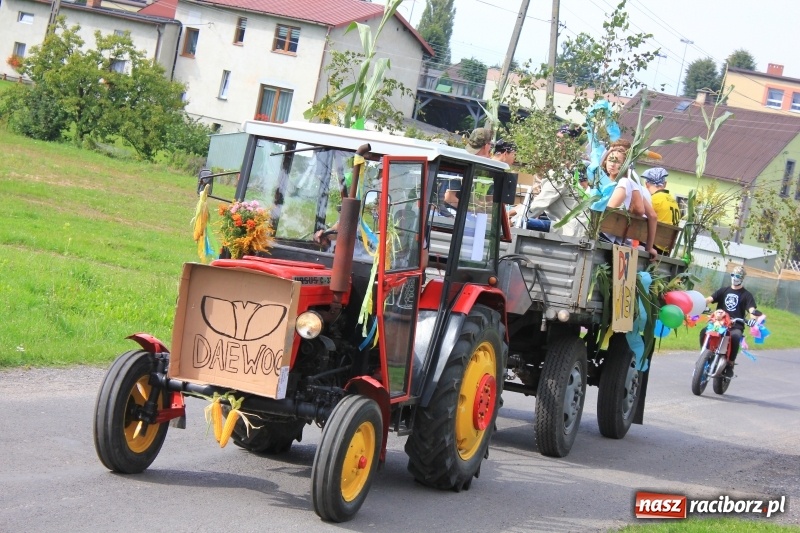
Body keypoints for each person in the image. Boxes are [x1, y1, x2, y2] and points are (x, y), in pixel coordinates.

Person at [601, 140, 658, 261]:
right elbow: (652, 215)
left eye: (618, 159)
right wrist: (649, 247)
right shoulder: (603, 178)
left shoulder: (627, 180)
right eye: (611, 157)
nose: (613, 163)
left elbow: (640, 209)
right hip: (617, 237)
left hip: (607, 234)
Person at [702, 265, 759, 378]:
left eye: (737, 276)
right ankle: (705, 356)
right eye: (733, 275)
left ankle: (730, 364)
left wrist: (753, 319)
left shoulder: (746, 295)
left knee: (735, 337)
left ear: (742, 278)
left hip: (736, 325)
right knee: (704, 331)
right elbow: (709, 299)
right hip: (719, 323)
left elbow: (752, 309)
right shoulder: (723, 290)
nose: (734, 278)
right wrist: (700, 303)